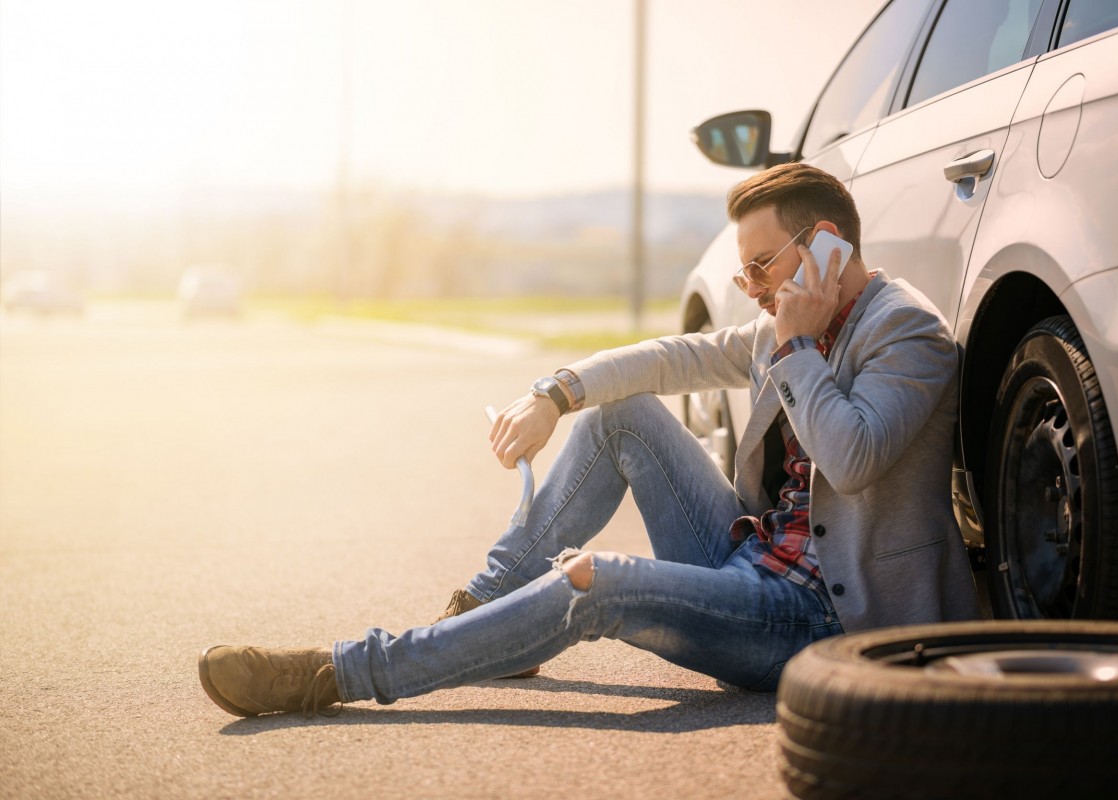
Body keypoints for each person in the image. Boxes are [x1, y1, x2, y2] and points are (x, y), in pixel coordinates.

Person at [198, 162, 980, 718]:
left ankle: (342, 671)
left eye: (762, 267)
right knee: (620, 415)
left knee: (593, 582)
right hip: (750, 564)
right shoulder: (783, 325)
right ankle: (490, 602)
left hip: (821, 619)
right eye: (744, 276)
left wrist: (798, 348)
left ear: (829, 244)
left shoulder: (906, 332)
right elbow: (669, 358)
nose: (755, 290)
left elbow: (850, 459)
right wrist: (553, 394)